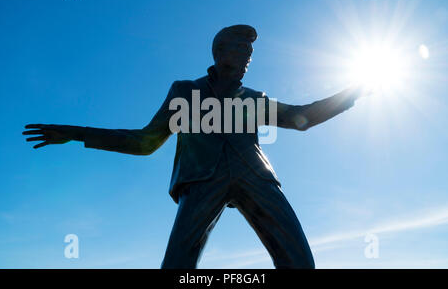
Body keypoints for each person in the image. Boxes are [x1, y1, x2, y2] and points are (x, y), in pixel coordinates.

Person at [23, 24, 368, 268]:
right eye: (242, 49)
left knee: (299, 260)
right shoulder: (185, 92)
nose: (248, 57)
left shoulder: (254, 99)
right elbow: (143, 143)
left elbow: (299, 117)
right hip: (203, 181)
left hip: (257, 178)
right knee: (177, 265)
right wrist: (74, 132)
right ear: (220, 52)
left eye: (251, 52)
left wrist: (350, 95)